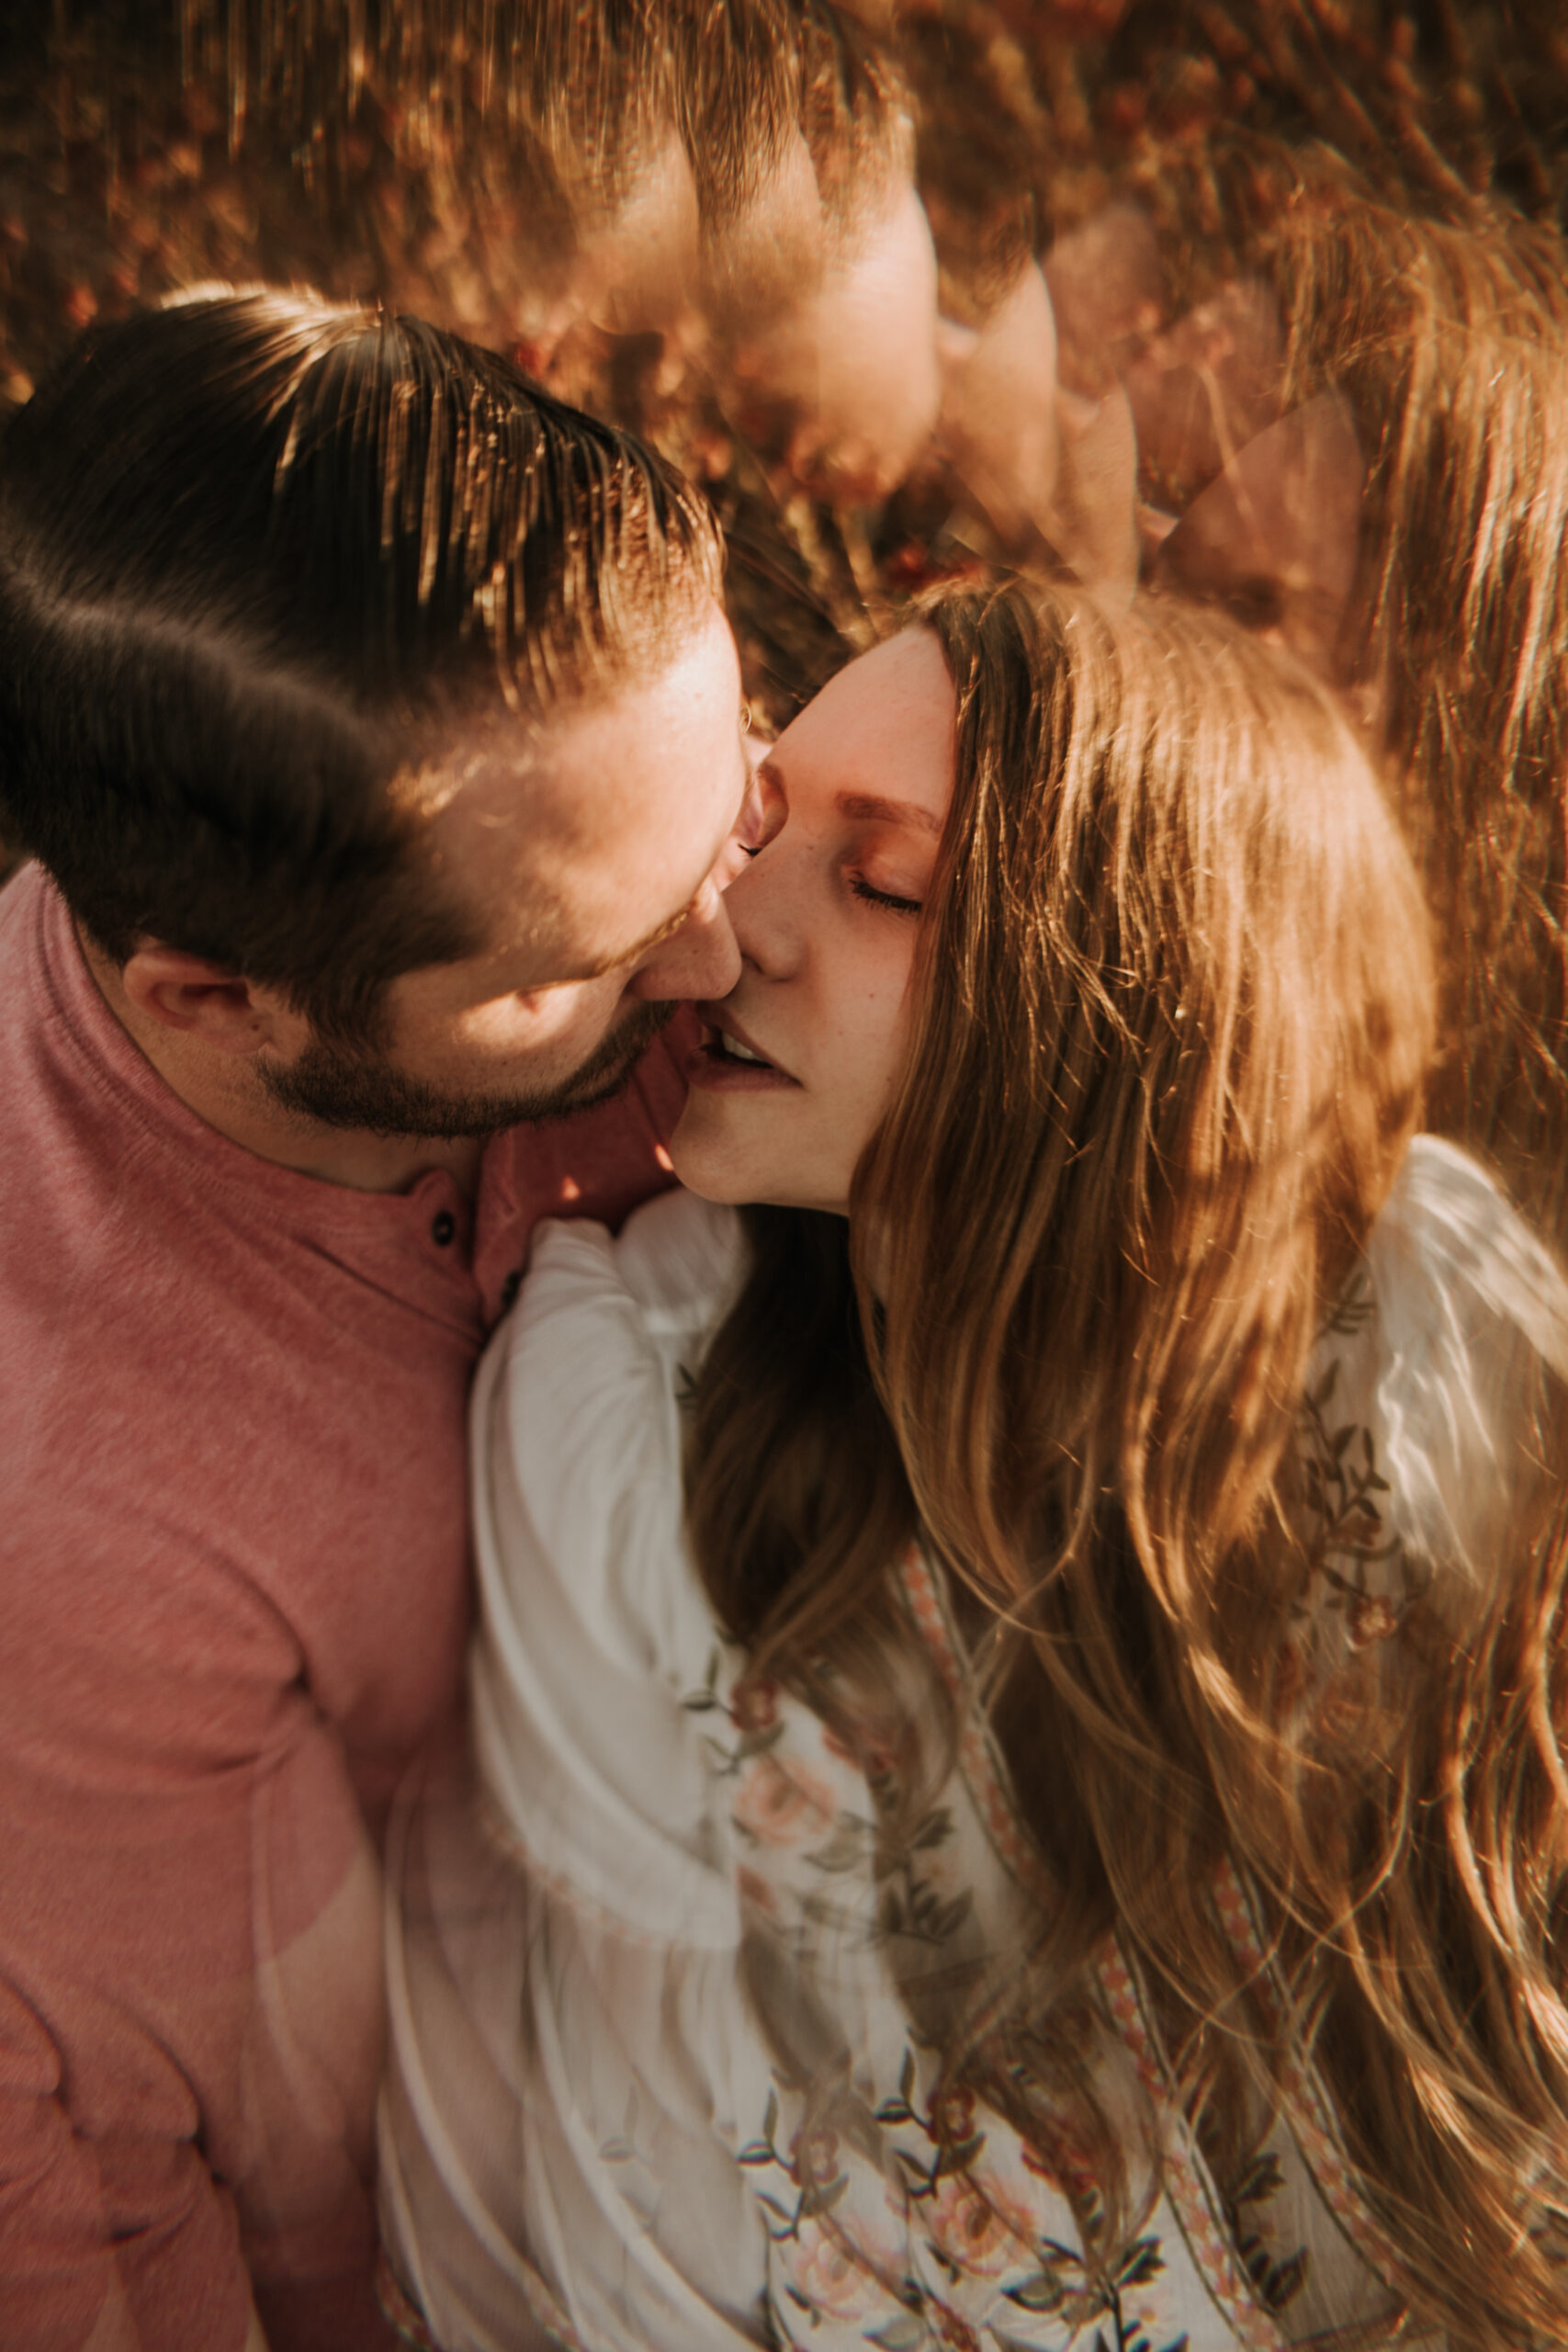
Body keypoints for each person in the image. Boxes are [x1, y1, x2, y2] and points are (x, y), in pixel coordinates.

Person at [379, 580, 1568, 2351]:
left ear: (1139, 997)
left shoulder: (1434, 1340)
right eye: (756, 826)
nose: (721, 935)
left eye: (882, 882)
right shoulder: (642, 1422)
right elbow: (627, 2213)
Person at [0, 288, 762, 2352]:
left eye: (740, 798)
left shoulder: (456, 816)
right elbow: (103, 2175)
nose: (723, 942)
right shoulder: (93, 1520)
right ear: (213, 1002)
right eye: (590, 959)